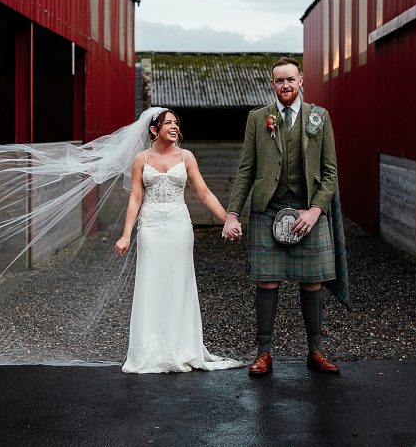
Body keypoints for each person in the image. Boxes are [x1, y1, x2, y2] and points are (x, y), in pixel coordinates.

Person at [222, 56, 348, 375]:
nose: (286, 85)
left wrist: (316, 210)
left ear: (301, 81)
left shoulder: (319, 117)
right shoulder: (257, 118)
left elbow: (330, 173)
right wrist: (232, 213)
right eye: (280, 80)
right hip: (268, 208)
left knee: (312, 281)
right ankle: (264, 353)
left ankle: (316, 351)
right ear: (272, 84)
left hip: (309, 208)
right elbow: (246, 170)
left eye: (291, 79)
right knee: (266, 282)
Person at [114, 109, 243, 374]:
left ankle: (181, 345)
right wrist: (126, 235)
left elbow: (204, 193)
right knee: (151, 283)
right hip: (150, 226)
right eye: (168, 123)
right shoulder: (141, 159)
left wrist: (227, 219)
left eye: (176, 123)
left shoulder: (187, 157)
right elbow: (135, 198)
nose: (174, 127)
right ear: (154, 129)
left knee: (179, 282)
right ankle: (150, 349)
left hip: (178, 226)